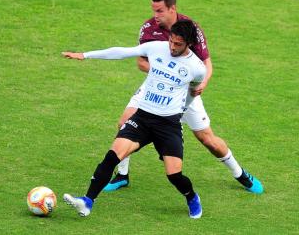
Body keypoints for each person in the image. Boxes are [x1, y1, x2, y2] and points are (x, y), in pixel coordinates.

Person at [103, 0, 263, 194]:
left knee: (208, 139)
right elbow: (141, 63)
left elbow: (206, 62)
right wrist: (166, 73)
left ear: (172, 9)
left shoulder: (190, 29)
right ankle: (122, 176)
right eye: (153, 10)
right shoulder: (148, 29)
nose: (155, 16)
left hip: (185, 92)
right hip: (155, 87)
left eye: (160, 11)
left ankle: (240, 174)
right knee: (125, 122)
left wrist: (203, 82)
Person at [62, 20, 206, 218]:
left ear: (188, 43)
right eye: (171, 41)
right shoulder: (156, 47)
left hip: (168, 124)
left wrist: (182, 111)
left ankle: (191, 197)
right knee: (112, 156)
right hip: (143, 118)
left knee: (174, 175)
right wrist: (85, 55)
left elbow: (193, 92)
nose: (172, 47)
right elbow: (121, 52)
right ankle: (87, 201)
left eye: (178, 44)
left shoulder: (197, 68)